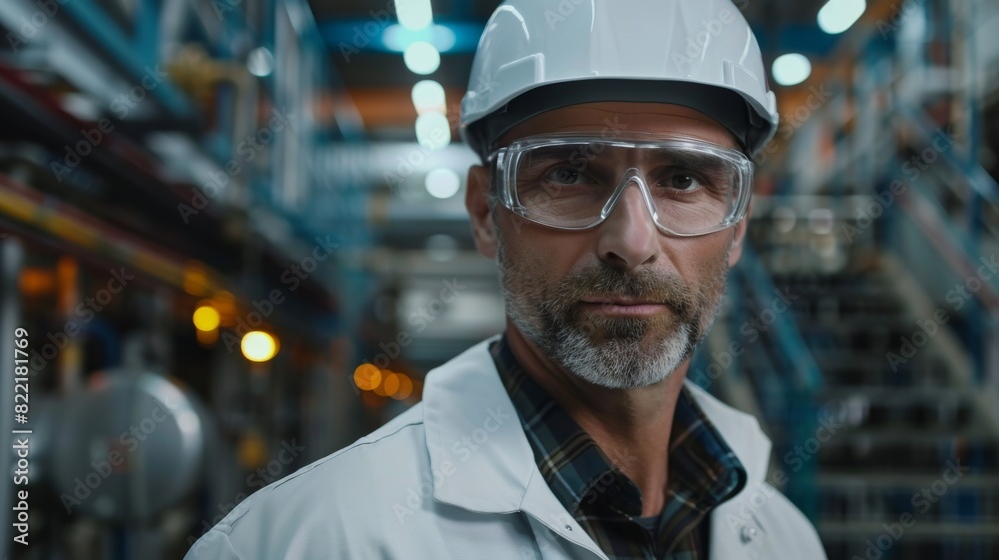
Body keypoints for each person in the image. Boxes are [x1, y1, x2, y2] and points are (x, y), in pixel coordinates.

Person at [186, 0, 827, 558]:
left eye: (683, 179)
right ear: (484, 213)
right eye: (571, 175)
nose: (631, 244)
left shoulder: (784, 541)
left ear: (738, 224)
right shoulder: (305, 541)